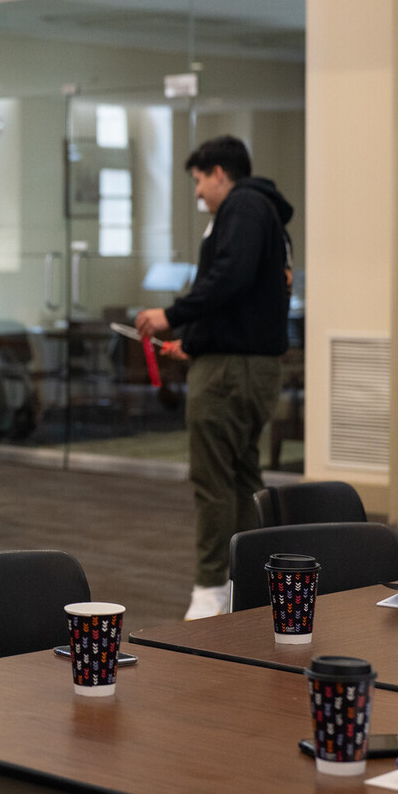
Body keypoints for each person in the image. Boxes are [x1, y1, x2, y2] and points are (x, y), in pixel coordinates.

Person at [135, 134, 294, 621]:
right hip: (248, 365)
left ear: (220, 172)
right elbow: (240, 298)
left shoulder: (243, 206)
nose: (199, 192)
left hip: (231, 372)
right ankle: (251, 584)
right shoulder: (265, 210)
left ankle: (210, 595)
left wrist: (173, 315)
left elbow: (229, 276)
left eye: (201, 180)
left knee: (213, 482)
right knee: (242, 479)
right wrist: (198, 340)